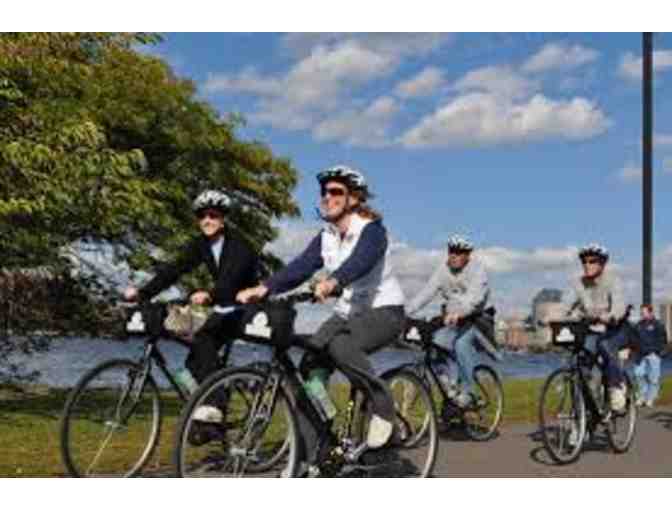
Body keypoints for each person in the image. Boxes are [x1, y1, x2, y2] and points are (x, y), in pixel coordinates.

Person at [237, 164, 406, 469]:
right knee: (310, 366)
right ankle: (315, 453)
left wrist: (334, 281)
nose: (327, 197)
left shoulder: (372, 231)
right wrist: (263, 288)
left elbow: (361, 261)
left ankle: (383, 408)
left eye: (336, 191)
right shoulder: (326, 236)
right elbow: (301, 267)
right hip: (346, 314)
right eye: (324, 192)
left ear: (354, 198)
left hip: (384, 311)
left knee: (341, 345)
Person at [124, 189, 262, 421]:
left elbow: (231, 280)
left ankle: (216, 406)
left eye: (213, 215)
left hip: (246, 307)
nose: (207, 220)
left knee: (204, 337)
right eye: (202, 216)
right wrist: (143, 292)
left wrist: (209, 294)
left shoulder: (239, 245)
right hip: (223, 306)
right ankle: (204, 417)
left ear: (223, 219)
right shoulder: (202, 244)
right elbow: (175, 269)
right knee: (193, 362)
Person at [406, 234, 492, 409]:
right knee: (434, 343)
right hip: (451, 319)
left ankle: (468, 392)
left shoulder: (478, 271)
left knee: (461, 344)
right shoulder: (442, 270)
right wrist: (405, 311)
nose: (453, 255)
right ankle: (450, 387)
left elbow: (474, 299)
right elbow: (426, 292)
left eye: (459, 252)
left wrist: (459, 313)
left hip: (476, 319)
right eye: (451, 251)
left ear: (467, 255)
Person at [564, 243, 629, 412]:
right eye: (584, 262)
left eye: (592, 261)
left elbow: (619, 306)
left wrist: (612, 315)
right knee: (580, 363)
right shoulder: (580, 283)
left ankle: (617, 386)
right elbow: (566, 304)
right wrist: (550, 318)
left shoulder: (613, 280)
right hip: (593, 330)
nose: (587, 265)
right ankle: (585, 414)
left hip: (615, 328)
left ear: (602, 263)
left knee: (605, 345)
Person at [632, 304, 667, 408]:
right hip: (640, 354)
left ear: (650, 312)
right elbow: (634, 338)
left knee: (654, 378)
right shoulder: (638, 325)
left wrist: (658, 351)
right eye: (641, 312)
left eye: (644, 312)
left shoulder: (658, 324)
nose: (642, 314)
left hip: (653, 354)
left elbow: (663, 339)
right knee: (638, 374)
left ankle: (651, 398)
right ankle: (642, 395)